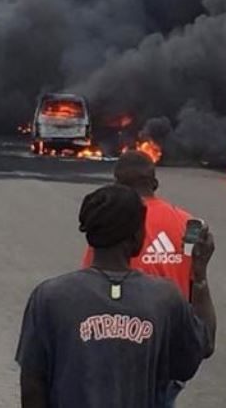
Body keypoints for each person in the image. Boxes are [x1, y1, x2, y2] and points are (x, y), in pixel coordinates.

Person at [17, 184, 216, 408]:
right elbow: (200, 348)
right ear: (137, 235)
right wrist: (199, 277)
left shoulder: (50, 297)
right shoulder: (164, 297)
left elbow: (32, 382)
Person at [81, 151, 201, 406]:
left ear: (116, 184)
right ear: (154, 182)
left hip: (123, 341)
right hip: (169, 344)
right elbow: (195, 277)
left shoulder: (114, 223)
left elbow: (91, 282)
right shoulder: (190, 225)